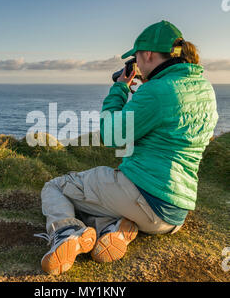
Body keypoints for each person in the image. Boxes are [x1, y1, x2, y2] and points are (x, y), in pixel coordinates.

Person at [35, 20, 219, 275]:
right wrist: (142, 93)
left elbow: (111, 136)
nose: (137, 64)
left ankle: (67, 232)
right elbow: (166, 122)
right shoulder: (204, 89)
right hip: (175, 214)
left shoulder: (156, 91)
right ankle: (115, 228)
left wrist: (120, 88)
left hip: (143, 196)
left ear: (148, 54)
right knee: (101, 201)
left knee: (55, 187)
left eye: (136, 58)